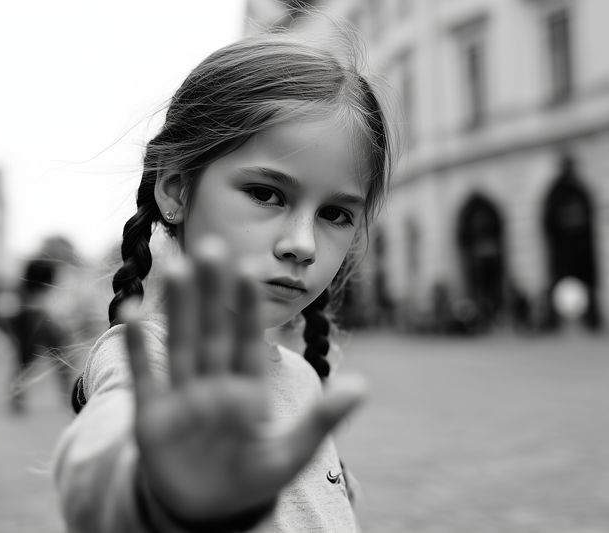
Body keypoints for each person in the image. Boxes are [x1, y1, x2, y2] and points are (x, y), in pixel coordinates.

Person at [53, 27, 393, 533]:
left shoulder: (303, 376)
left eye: (336, 214)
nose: (303, 243)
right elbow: (103, 452)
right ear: (175, 188)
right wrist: (152, 493)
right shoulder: (149, 356)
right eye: (266, 193)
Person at [8, 257, 71, 413]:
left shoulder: (23, 292)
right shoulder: (42, 295)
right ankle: (67, 393)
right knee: (61, 359)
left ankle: (18, 396)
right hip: (41, 319)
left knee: (25, 362)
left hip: (31, 319)